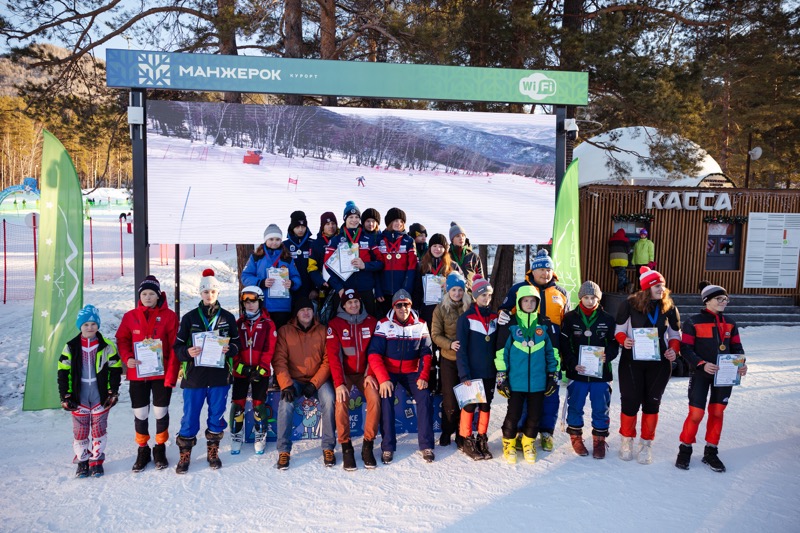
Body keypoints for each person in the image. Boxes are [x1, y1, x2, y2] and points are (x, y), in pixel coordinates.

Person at [498, 249, 569, 452]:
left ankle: (546, 432)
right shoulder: (519, 289)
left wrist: (564, 352)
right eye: (541, 269)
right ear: (533, 271)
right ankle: (521, 431)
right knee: (523, 393)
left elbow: (566, 322)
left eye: (548, 269)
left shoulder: (561, 293)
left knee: (550, 394)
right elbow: (505, 311)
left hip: (550, 351)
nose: (545, 273)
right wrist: (502, 314)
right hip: (524, 352)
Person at [173, 269, 241, 474]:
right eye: (205, 292)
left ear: (217, 292)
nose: (209, 295)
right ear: (200, 293)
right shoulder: (189, 318)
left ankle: (213, 451)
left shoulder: (228, 317)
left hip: (219, 376)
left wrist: (230, 349)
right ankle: (185, 453)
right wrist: (187, 352)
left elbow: (237, 344)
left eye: (212, 291)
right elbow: (177, 348)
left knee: (216, 415)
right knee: (190, 416)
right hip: (195, 377)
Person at [675, 282, 748, 472]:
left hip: (725, 375)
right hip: (701, 374)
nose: (724, 302)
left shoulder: (730, 323)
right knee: (696, 414)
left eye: (726, 299)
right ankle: (685, 448)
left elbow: (737, 347)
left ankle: (711, 451)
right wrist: (701, 364)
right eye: (719, 298)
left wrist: (741, 363)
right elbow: (685, 349)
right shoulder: (693, 322)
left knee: (717, 412)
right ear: (707, 301)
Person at [614, 266, 681, 464]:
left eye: (663, 285)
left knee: (652, 403)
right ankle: (626, 440)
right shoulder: (629, 304)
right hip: (632, 361)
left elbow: (675, 335)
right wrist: (624, 340)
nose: (662, 289)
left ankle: (646, 443)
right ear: (647, 287)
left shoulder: (669, 307)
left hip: (659, 363)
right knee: (630, 402)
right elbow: (619, 331)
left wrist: (673, 350)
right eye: (657, 285)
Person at [115, 275, 180, 472]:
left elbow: (175, 347)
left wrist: (172, 375)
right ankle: (142, 448)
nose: (148, 297)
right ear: (139, 296)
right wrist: (127, 358)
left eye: (152, 293)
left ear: (159, 295)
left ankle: (160, 447)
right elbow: (122, 340)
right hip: (138, 373)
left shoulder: (169, 316)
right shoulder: (130, 316)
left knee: (161, 411)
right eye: (144, 294)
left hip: (161, 374)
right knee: (140, 413)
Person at [368, 289, 435, 464]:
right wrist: (383, 378)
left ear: (410, 306)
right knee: (386, 398)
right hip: (389, 371)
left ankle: (426, 445)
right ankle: (388, 446)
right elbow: (374, 353)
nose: (403, 308)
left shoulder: (421, 324)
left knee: (424, 397)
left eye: (406, 305)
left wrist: (423, 376)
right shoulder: (384, 324)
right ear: (393, 307)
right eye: (399, 305)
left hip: (412, 371)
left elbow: (426, 353)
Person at [58, 305, 122, 478]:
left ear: (98, 325)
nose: (90, 327)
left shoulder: (107, 345)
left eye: (94, 324)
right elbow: (63, 371)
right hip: (79, 395)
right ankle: (82, 460)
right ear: (80, 326)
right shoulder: (71, 346)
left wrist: (113, 391)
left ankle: (96, 460)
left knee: (99, 429)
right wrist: (65, 395)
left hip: (99, 394)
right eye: (85, 324)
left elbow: (115, 369)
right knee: (80, 431)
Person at [495, 286, 556, 464]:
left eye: (533, 301)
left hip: (538, 382)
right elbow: (501, 353)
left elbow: (552, 353)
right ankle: (509, 443)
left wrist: (552, 376)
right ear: (519, 303)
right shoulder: (511, 324)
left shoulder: (544, 324)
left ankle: (528, 443)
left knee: (535, 415)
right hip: (516, 382)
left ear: (538, 303)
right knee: (513, 415)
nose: (529, 304)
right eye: (525, 301)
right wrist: (502, 377)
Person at [272, 296, 335, 470]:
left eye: (308, 310)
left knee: (329, 399)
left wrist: (314, 383)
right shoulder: (285, 331)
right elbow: (279, 360)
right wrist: (286, 384)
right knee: (285, 403)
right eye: (302, 310)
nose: (306, 313)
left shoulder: (323, 330)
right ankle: (284, 450)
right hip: (294, 380)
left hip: (318, 379)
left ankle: (328, 446)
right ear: (296, 314)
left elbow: (328, 360)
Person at [560, 281, 619, 459]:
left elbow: (614, 343)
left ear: (598, 299)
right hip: (577, 372)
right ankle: (576, 437)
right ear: (580, 298)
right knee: (575, 405)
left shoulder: (607, 319)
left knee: (601, 407)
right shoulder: (570, 318)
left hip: (601, 373)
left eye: (593, 297)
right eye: (586, 297)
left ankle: (599, 440)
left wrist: (608, 355)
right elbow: (564, 344)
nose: (589, 301)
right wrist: (572, 363)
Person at [326, 289, 380, 470]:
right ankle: (346, 446)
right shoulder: (335, 324)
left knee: (374, 398)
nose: (354, 305)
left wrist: (370, 373)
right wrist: (339, 383)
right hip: (345, 374)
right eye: (349, 303)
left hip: (365, 373)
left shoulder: (371, 322)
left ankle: (367, 445)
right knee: (341, 401)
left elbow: (375, 351)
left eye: (356, 301)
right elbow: (334, 356)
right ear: (343, 305)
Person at [455, 276, 499, 461]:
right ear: (474, 296)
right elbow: (461, 350)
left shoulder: (495, 318)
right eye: (483, 295)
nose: (486, 298)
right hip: (472, 373)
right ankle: (466, 439)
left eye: (488, 295)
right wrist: (464, 373)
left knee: (486, 405)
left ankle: (481, 438)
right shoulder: (466, 318)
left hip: (489, 372)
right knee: (470, 405)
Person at [231, 286, 277, 455]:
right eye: (246, 301)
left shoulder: (268, 324)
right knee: (238, 404)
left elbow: (269, 349)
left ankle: (260, 434)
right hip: (241, 371)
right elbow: (234, 348)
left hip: (260, 371)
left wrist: (261, 368)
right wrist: (240, 367)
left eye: (253, 301)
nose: (250, 304)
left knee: (258, 404)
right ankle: (236, 434)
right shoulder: (238, 324)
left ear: (260, 302)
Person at [431, 272, 471, 447]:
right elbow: (435, 334)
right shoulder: (441, 308)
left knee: (466, 398)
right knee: (449, 398)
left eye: (460, 290)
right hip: (448, 358)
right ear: (448, 290)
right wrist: (449, 344)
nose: (457, 293)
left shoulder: (470, 306)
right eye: (454, 290)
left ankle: (462, 432)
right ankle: (447, 430)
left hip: (467, 360)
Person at [324, 201, 383, 316]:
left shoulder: (368, 239)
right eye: (350, 217)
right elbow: (327, 267)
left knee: (368, 321)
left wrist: (365, 265)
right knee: (343, 322)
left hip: (365, 289)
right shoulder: (336, 240)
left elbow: (380, 263)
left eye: (357, 217)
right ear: (345, 219)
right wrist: (339, 288)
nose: (354, 220)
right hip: (344, 289)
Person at [241, 224, 302, 330]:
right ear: (265, 239)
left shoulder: (287, 257)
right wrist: (261, 282)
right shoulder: (256, 257)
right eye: (271, 239)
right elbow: (245, 276)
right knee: (264, 336)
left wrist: (292, 283)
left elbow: (297, 278)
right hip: (262, 305)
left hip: (282, 307)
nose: (274, 242)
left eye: (277, 239)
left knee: (281, 336)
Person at [375, 207, 418, 317]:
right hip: (384, 293)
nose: (398, 223)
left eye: (401, 221)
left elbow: (412, 267)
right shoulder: (379, 240)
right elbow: (376, 268)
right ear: (389, 222)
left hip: (402, 292)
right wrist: (378, 290)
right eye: (395, 220)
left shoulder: (409, 241)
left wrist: (406, 290)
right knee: (384, 321)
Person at [308, 211, 340, 308]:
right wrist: (320, 281)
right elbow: (312, 268)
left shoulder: (342, 239)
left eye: (333, 223)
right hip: (325, 285)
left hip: (341, 283)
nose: (331, 226)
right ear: (322, 226)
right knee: (325, 311)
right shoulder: (316, 244)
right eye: (327, 224)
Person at [284, 210, 316, 301]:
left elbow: (319, 267)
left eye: (303, 226)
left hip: (310, 292)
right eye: (297, 227)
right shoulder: (284, 246)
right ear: (292, 227)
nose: (301, 230)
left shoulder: (313, 244)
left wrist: (315, 288)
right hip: (290, 291)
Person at [448, 222, 483, 289]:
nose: (461, 238)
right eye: (457, 236)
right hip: (454, 292)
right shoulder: (447, 256)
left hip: (470, 292)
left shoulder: (473, 256)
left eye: (463, 235)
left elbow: (480, 279)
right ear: (452, 240)